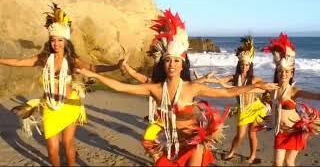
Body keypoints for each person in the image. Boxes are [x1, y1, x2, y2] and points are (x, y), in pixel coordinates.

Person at [77, 9, 278, 166]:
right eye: (168, 61)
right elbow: (121, 88)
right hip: (170, 143)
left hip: (193, 141)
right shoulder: (155, 89)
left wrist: (253, 87)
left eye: (176, 61)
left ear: (182, 65)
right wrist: (95, 75)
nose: (172, 65)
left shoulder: (191, 88)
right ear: (163, 65)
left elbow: (226, 92)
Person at [0, 3, 121, 166]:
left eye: (60, 40)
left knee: (68, 143)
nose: (56, 44)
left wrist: (116, 66)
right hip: (50, 107)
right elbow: (18, 61)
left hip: (70, 106)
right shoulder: (44, 59)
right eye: (53, 40)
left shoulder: (72, 60)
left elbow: (93, 67)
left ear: (66, 42)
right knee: (51, 148)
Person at [196, 36, 272, 163]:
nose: (244, 67)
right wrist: (206, 79)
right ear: (239, 65)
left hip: (256, 108)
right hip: (243, 109)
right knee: (240, 135)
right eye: (242, 64)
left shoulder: (254, 79)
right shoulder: (234, 77)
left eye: (247, 65)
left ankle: (252, 156)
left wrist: (259, 92)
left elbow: (266, 88)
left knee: (252, 134)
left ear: (250, 66)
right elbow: (220, 81)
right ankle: (232, 151)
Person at [264, 33, 320, 166]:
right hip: (280, 131)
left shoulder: (294, 91)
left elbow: (315, 96)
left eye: (287, 72)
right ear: (277, 72)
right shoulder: (272, 89)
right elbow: (255, 89)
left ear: (291, 73)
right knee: (277, 164)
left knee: (289, 162)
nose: (283, 74)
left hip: (295, 131)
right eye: (280, 71)